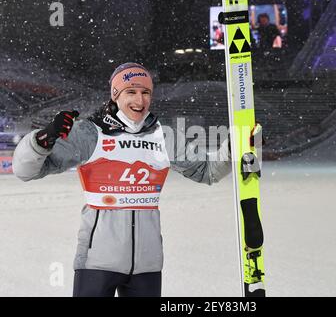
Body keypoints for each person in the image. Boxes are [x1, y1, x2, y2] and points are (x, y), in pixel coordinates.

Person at [12, 62, 233, 297]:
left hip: (147, 266)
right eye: (131, 91)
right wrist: (45, 137)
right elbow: (24, 170)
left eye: (145, 92)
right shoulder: (90, 133)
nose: (140, 100)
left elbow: (208, 171)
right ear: (115, 95)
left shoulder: (163, 136)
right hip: (96, 264)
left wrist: (233, 147)